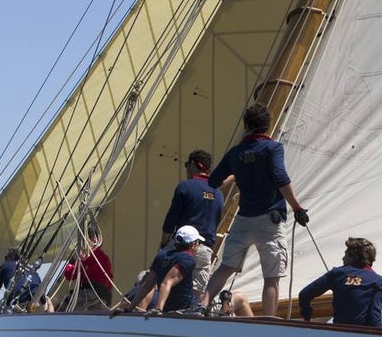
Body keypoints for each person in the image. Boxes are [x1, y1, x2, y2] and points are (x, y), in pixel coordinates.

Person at [204, 104, 309, 318]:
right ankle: (268, 321)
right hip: (269, 221)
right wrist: (297, 208)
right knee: (271, 277)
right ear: (267, 126)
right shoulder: (272, 148)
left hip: (243, 219)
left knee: (226, 267)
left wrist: (238, 172)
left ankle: (200, 307)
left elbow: (214, 182)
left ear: (246, 125)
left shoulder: (235, 153)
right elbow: (280, 178)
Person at [161, 149, 224, 300]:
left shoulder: (185, 186)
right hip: (205, 250)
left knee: (162, 281)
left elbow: (171, 219)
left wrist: (163, 244)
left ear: (194, 164)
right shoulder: (218, 194)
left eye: (186, 165)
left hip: (182, 247)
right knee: (197, 296)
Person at [298, 237, 382, 327]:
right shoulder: (379, 281)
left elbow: (304, 294)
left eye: (346, 255)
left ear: (353, 257)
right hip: (363, 332)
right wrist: (377, 334)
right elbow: (374, 316)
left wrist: (307, 317)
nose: (343, 258)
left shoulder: (337, 273)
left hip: (339, 330)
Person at [124, 225, 203, 314]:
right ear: (194, 243)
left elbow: (147, 284)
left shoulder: (162, 255)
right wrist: (158, 309)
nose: (199, 245)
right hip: (183, 310)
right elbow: (167, 282)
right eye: (199, 242)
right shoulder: (188, 259)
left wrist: (129, 308)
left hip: (167, 310)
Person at [62, 224, 114, 310]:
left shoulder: (88, 254)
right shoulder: (104, 257)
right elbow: (110, 279)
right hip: (105, 297)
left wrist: (72, 261)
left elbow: (69, 274)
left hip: (91, 293)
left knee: (65, 307)